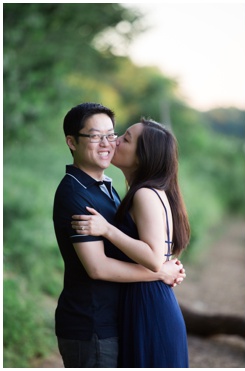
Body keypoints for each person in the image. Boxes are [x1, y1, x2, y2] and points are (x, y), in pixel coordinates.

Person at [53, 102, 186, 368]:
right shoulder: (75, 193)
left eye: (112, 135)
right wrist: (160, 271)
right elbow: (97, 267)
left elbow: (150, 250)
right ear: (72, 142)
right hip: (91, 323)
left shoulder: (110, 190)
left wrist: (160, 265)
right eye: (95, 136)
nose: (108, 143)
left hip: (117, 318)